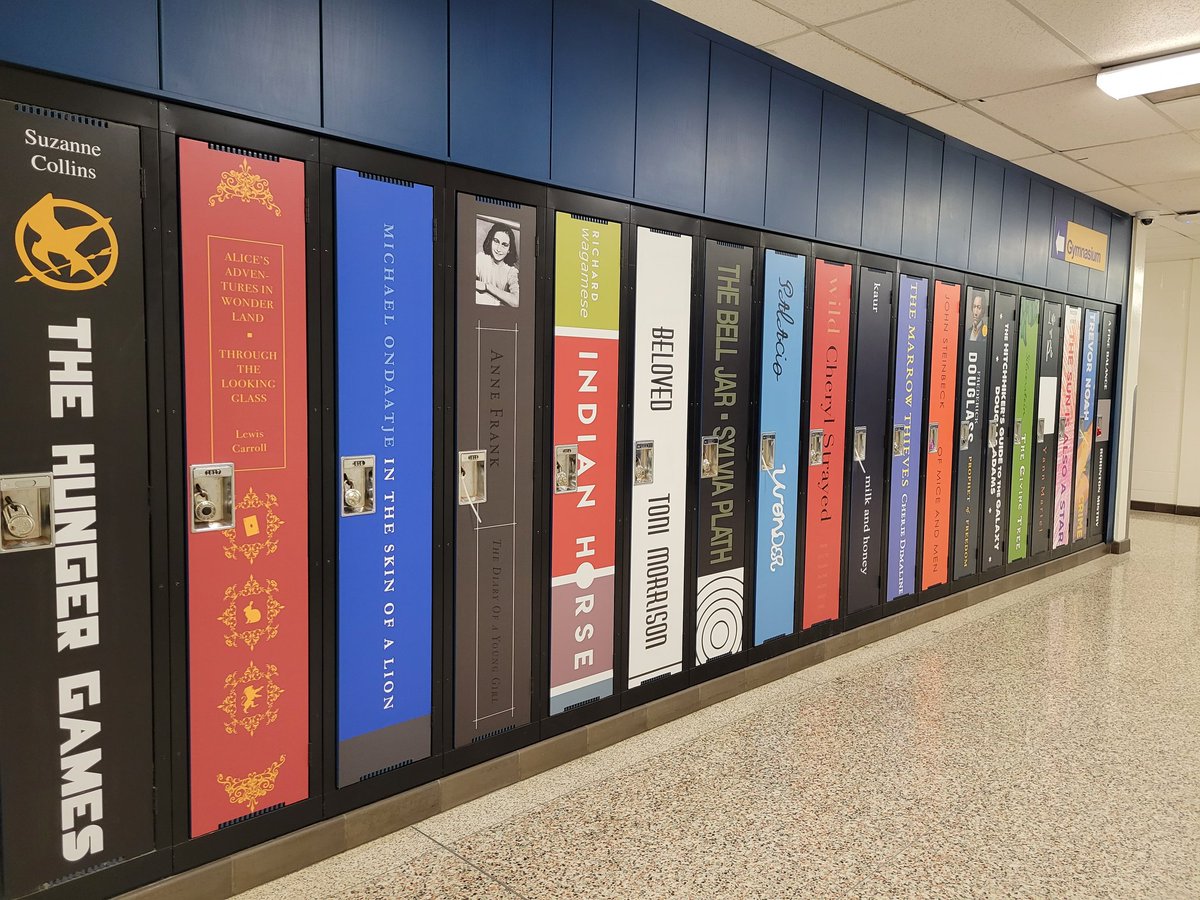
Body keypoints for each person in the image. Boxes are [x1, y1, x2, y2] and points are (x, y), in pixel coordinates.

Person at [476, 221, 519, 307]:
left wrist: (487, 286)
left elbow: (516, 301)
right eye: (496, 241)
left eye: (504, 245)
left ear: (509, 250)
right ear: (490, 241)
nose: (498, 249)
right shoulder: (481, 258)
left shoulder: (511, 271)